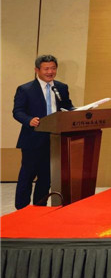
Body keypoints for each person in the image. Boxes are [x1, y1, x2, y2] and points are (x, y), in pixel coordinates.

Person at [12, 55, 74, 209]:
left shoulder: (61, 87)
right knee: (27, 176)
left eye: (53, 68)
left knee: (46, 178)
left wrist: (81, 111)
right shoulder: (25, 89)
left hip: (55, 139)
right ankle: (21, 209)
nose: (50, 72)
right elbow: (18, 111)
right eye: (46, 69)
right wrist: (29, 120)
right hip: (33, 139)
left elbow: (67, 107)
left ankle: (40, 208)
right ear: (37, 70)